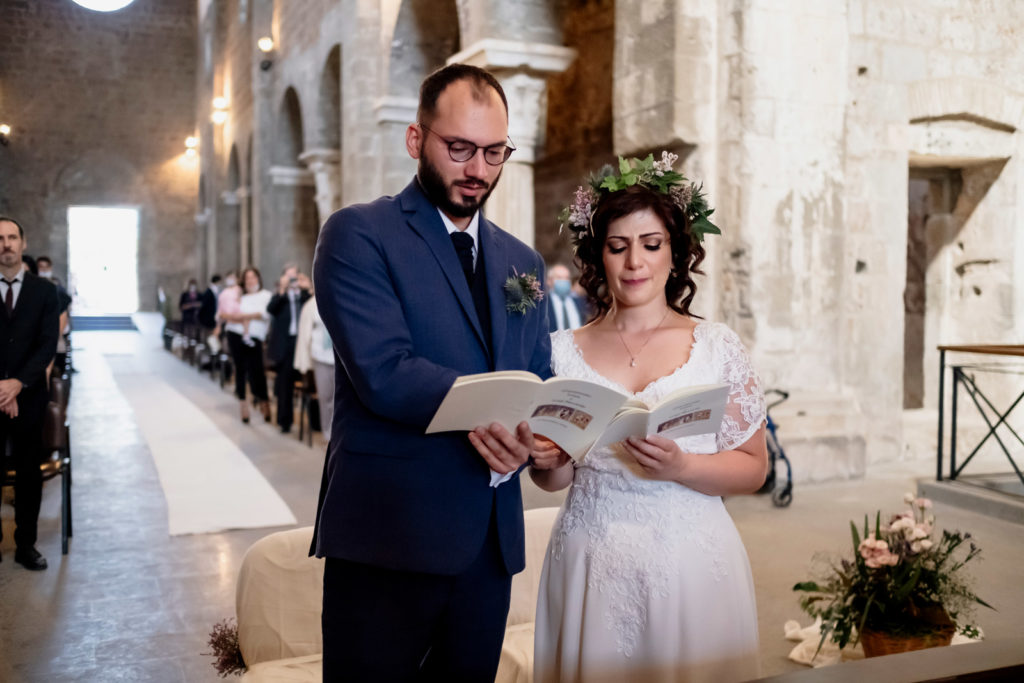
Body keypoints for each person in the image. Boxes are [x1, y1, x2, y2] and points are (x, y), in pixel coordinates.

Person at [310, 63, 551, 681]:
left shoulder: (521, 262)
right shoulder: (360, 234)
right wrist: (496, 413)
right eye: (460, 148)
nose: (478, 171)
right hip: (390, 534)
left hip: (488, 546)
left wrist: (543, 434)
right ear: (416, 140)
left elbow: (536, 375)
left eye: (494, 153)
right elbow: (384, 372)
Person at [530, 154, 768, 682]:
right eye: (618, 247)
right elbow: (553, 478)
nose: (634, 262)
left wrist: (683, 467)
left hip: (692, 564)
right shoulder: (559, 352)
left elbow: (754, 467)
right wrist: (548, 459)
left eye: (651, 244)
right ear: (600, 256)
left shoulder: (716, 346)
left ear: (676, 253)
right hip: (590, 558)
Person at [0, 216, 60, 570]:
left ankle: (26, 545)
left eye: (11, 237)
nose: (5, 244)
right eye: (0, 238)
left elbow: (47, 344)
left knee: (28, 472)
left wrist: (17, 383)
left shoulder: (44, 291)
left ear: (23, 244)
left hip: (29, 396)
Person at [220, 267, 271, 424]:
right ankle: (243, 405)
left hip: (255, 337)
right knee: (240, 369)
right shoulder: (239, 296)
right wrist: (245, 316)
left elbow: (264, 314)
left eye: (253, 277)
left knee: (257, 370)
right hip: (234, 333)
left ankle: (263, 399)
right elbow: (225, 314)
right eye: (247, 278)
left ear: (258, 278)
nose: (250, 280)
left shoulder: (266, 295)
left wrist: (242, 316)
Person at [266, 265, 311, 434]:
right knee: (285, 384)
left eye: (295, 276)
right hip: (286, 344)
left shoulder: (304, 295)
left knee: (306, 380)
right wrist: (283, 289)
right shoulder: (280, 295)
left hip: (302, 343)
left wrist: (307, 288)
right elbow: (270, 309)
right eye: (289, 276)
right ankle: (285, 421)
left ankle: (315, 422)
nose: (293, 280)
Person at [293, 295, 334, 441]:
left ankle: (342, 436)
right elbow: (305, 334)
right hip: (321, 356)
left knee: (341, 399)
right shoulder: (312, 304)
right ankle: (328, 436)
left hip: (342, 357)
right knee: (326, 398)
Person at [546, 262, 587, 331]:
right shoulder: (543, 304)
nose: (564, 281)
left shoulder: (579, 301)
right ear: (549, 281)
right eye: (559, 277)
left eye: (567, 278)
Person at [198, 273, 221, 337]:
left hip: (214, 317)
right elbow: (205, 305)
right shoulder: (209, 291)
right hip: (208, 318)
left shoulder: (216, 290)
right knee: (208, 335)